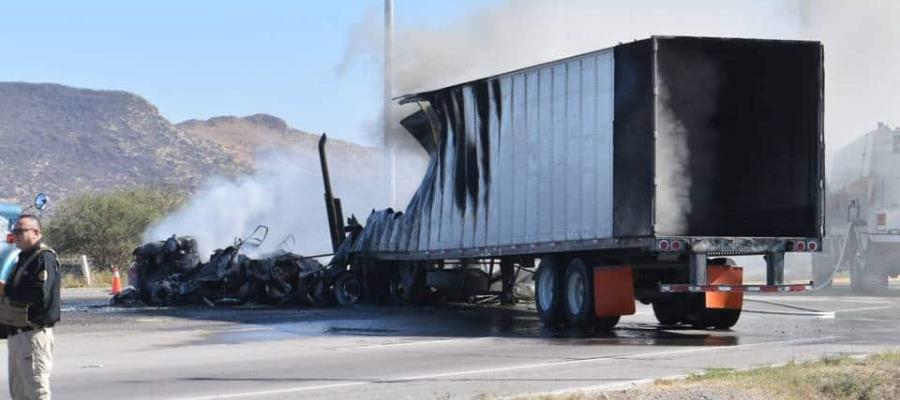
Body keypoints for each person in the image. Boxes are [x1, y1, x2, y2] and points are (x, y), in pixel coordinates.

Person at [5, 214, 60, 400]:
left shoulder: (43, 257)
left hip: (33, 333)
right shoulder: (23, 258)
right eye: (14, 231)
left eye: (21, 231)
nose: (16, 235)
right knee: (19, 393)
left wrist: (8, 290)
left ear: (36, 233)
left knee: (36, 390)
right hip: (17, 333)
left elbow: (38, 294)